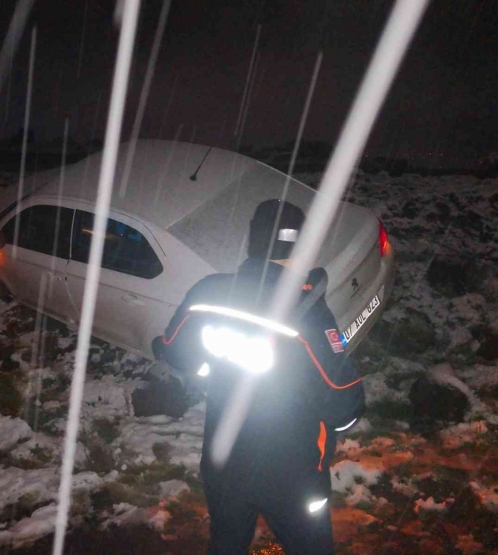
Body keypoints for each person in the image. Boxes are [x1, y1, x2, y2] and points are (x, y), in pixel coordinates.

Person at [153, 199, 365, 555]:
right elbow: (346, 407)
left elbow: (174, 351)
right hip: (292, 475)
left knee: (226, 546)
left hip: (224, 465)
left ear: (254, 243)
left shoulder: (210, 294)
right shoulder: (309, 317)